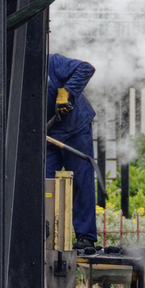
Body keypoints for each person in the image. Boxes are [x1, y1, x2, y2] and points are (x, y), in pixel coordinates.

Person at [46, 53, 97, 249]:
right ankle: (46, 236)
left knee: (81, 182)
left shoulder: (52, 62)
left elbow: (86, 68)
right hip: (47, 133)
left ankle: (86, 237)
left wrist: (67, 91)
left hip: (76, 129)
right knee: (46, 184)